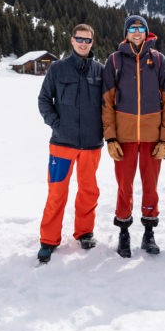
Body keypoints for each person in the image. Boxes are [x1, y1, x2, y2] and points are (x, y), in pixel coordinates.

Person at [102, 15, 165, 257]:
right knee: (125, 186)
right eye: (132, 28)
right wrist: (110, 138)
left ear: (146, 32)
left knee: (150, 186)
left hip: (153, 136)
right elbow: (107, 103)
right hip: (124, 136)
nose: (136, 32)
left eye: (141, 28)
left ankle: (149, 232)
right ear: (126, 33)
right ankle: (123, 231)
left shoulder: (159, 60)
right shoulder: (114, 60)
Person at [36, 24, 104, 264]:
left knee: (88, 190)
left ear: (92, 43)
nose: (83, 44)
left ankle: (84, 232)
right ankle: (49, 239)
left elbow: (108, 105)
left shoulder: (100, 71)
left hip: (92, 144)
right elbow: (44, 100)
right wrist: (57, 124)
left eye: (87, 40)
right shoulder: (58, 69)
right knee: (57, 192)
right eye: (79, 39)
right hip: (62, 144)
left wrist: (103, 131)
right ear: (72, 40)